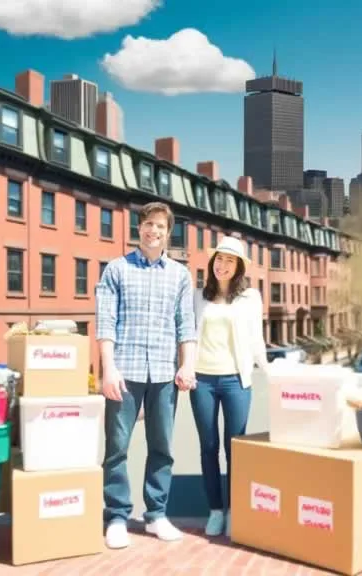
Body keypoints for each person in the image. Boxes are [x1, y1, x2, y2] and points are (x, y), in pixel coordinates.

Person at [95, 202, 197, 549]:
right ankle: (118, 517)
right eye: (148, 224)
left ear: (169, 232)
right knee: (117, 448)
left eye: (160, 226)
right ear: (140, 228)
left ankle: (155, 516)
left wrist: (187, 365)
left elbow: (186, 326)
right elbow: (105, 322)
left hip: (165, 374)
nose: (154, 231)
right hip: (125, 372)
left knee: (162, 447)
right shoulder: (116, 269)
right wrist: (108, 368)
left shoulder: (180, 275)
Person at [190, 235, 268, 536]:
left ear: (238, 268)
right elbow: (186, 335)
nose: (223, 265)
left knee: (235, 448)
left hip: (236, 379)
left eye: (230, 260)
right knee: (208, 448)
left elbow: (256, 340)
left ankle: (235, 509)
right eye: (219, 259)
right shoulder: (198, 296)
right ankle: (215, 511)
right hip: (203, 379)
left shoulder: (251, 298)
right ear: (213, 263)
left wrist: (270, 373)